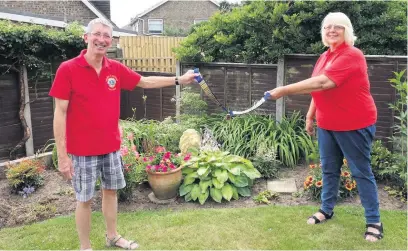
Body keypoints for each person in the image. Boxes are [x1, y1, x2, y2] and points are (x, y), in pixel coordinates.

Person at [49, 18, 197, 250]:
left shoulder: (114, 69)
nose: (102, 40)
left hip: (110, 146)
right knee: (84, 200)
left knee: (111, 192)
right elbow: (60, 113)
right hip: (82, 150)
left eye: (107, 36)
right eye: (97, 34)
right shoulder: (68, 69)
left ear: (111, 41)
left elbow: (145, 81)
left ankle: (112, 236)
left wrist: (179, 79)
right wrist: (62, 155)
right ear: (86, 37)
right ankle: (85, 247)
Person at [266, 12, 383, 242]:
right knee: (329, 169)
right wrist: (311, 115)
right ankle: (326, 209)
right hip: (327, 123)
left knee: (361, 172)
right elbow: (319, 90)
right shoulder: (325, 56)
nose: (331, 30)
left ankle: (374, 221)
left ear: (346, 30)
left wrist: (282, 90)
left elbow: (322, 82)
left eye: (337, 27)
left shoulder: (352, 55)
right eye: (327, 27)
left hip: (354, 123)